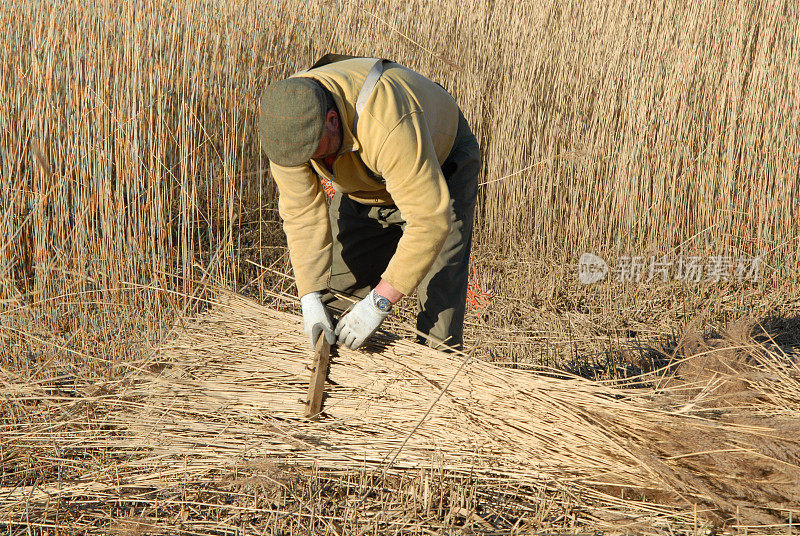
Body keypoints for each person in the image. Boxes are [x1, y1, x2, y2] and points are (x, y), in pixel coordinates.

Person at [258, 55, 480, 352]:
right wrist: (309, 297)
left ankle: (433, 378)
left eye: (316, 152)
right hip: (366, 182)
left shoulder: (384, 121)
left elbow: (430, 220)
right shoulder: (287, 131)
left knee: (438, 317)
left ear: (332, 120)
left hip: (438, 167)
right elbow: (301, 214)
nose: (315, 163)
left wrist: (379, 303)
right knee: (336, 297)